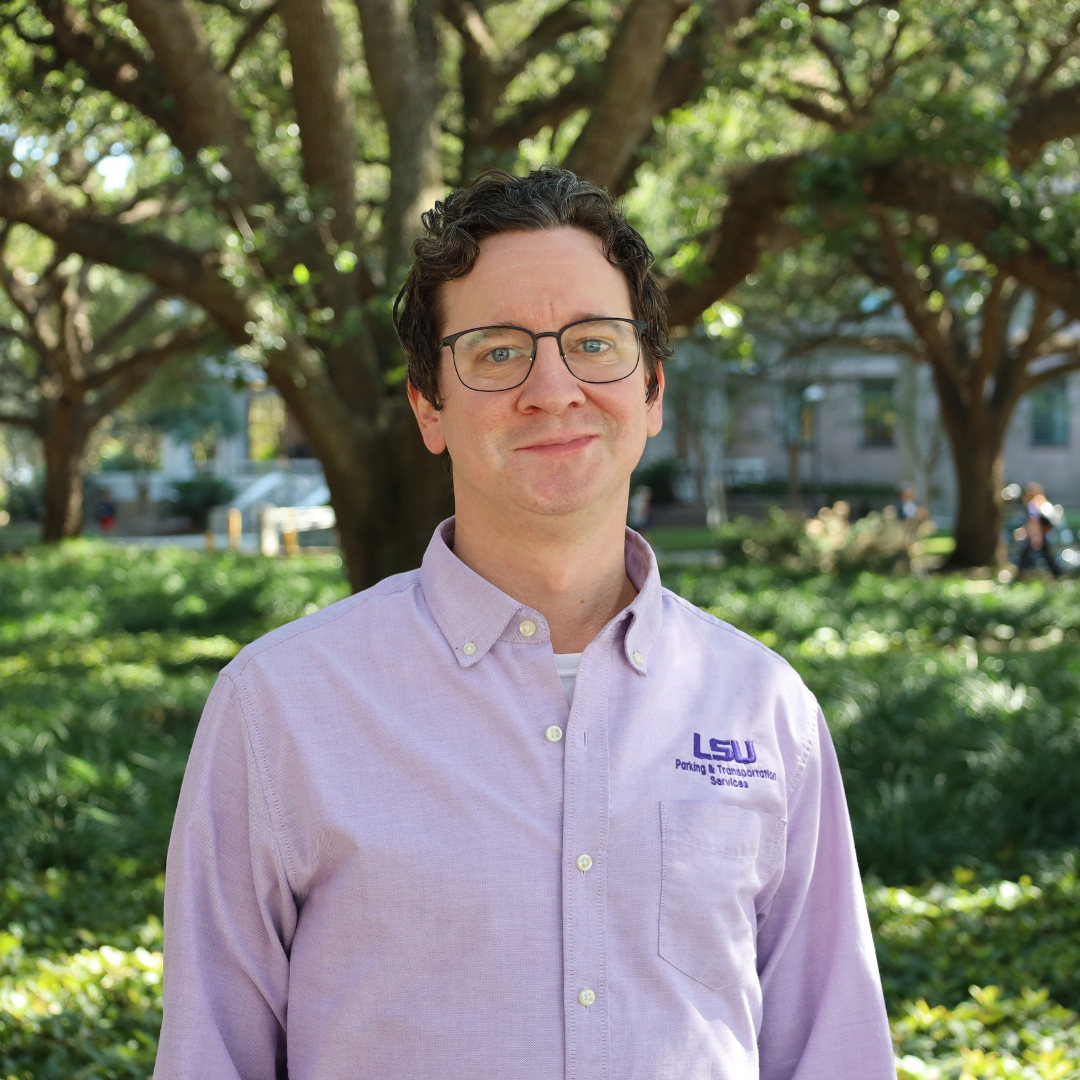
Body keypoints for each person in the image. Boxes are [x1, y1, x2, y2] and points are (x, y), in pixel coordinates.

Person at [155, 168, 894, 1079]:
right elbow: (208, 1058)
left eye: (593, 342)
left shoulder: (766, 709)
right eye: (498, 351)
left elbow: (833, 1053)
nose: (553, 388)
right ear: (430, 404)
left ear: (653, 391)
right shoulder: (281, 708)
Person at [1017, 481, 1060, 577]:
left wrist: (1036, 537)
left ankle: (1022, 573)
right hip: (1046, 534)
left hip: (1037, 535)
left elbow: (1034, 521)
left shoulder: (1033, 504)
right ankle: (1056, 573)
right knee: (1045, 554)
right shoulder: (1043, 502)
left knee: (1027, 554)